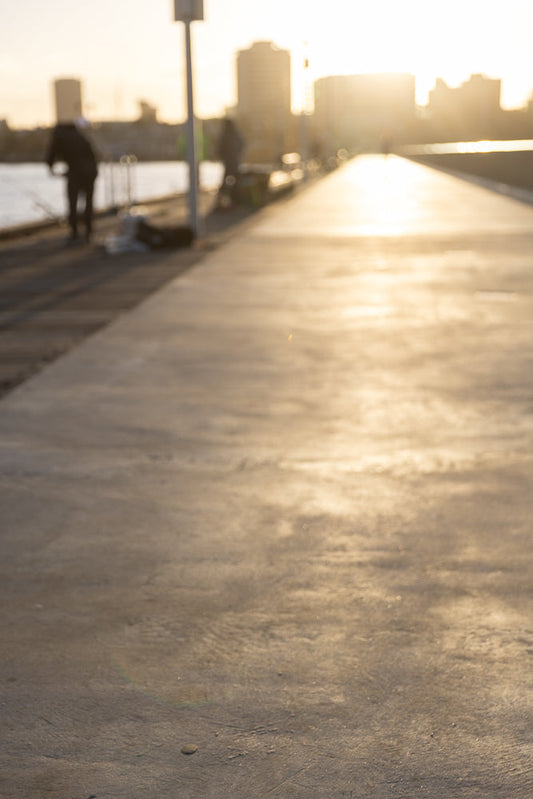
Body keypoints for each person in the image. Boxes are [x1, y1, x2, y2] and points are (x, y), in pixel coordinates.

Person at [46, 121, 98, 243]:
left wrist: (51, 167)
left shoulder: (60, 136)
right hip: (91, 171)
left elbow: (51, 153)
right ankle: (89, 231)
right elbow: (93, 155)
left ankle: (75, 232)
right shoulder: (81, 136)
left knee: (72, 201)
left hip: (76, 172)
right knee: (88, 201)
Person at [216, 118, 244, 203]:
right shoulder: (236, 134)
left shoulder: (225, 135)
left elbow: (220, 149)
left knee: (225, 182)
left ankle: (221, 201)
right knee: (236, 182)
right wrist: (237, 154)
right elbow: (242, 144)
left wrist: (223, 157)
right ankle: (237, 200)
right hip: (235, 162)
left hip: (228, 162)